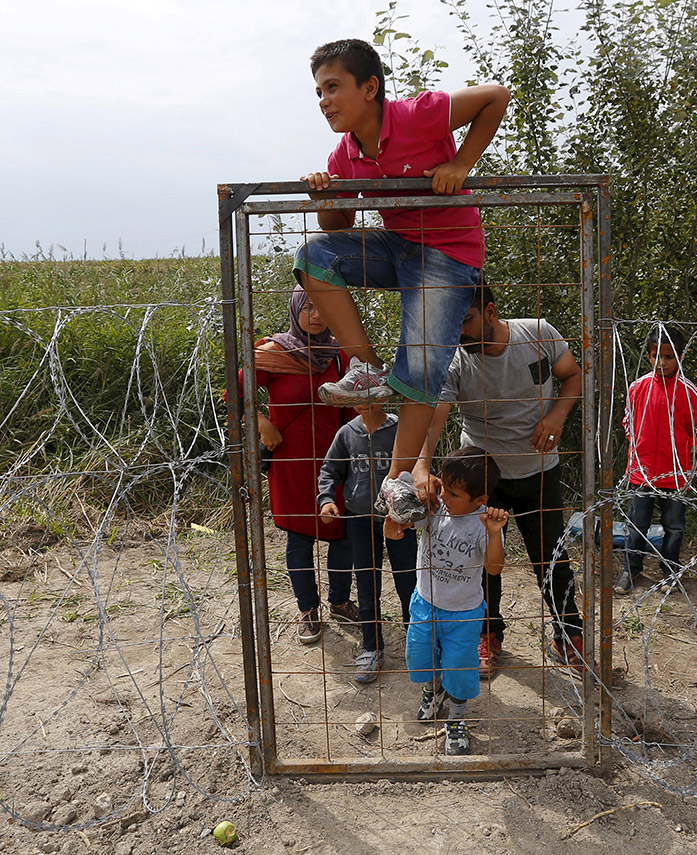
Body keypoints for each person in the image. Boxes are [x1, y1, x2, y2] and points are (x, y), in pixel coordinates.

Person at [293, 38, 511, 491]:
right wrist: (326, 194)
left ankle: (397, 479)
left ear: (370, 87)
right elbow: (337, 227)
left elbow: (496, 95)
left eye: (332, 87)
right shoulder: (344, 156)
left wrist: (461, 163)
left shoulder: (417, 114)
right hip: (400, 247)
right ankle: (367, 369)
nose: (323, 101)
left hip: (449, 252)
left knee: (421, 367)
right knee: (314, 255)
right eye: (318, 92)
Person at [412, 286, 585, 676]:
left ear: (489, 311)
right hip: (482, 480)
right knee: (479, 561)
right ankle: (487, 636)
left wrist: (557, 417)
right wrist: (422, 465)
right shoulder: (456, 359)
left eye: (467, 321)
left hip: (539, 471)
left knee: (551, 559)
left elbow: (572, 377)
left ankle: (567, 634)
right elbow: (435, 417)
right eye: (452, 325)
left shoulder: (538, 333)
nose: (460, 333)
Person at [243, 286, 357, 644]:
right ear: (295, 310)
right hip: (290, 461)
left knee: (341, 533)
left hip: (336, 458)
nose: (317, 315)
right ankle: (308, 610)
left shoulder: (339, 355)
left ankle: (339, 601)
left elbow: (353, 406)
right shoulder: (273, 353)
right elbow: (236, 391)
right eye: (308, 307)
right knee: (299, 537)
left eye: (322, 307)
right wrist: (262, 425)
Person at [387, 448, 509, 756]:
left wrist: (495, 534)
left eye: (453, 494)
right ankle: (432, 689)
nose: (445, 497)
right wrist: (395, 520)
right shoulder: (434, 507)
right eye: (443, 487)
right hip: (424, 602)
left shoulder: (483, 524)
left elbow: (494, 568)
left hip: (464, 613)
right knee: (419, 656)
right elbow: (396, 528)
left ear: (480, 500)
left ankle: (456, 720)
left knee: (458, 668)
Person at [317, 401, 419, 682]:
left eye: (370, 389)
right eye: (357, 391)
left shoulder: (401, 428)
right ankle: (372, 648)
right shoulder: (347, 433)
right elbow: (329, 470)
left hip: (399, 517)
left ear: (383, 392)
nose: (364, 398)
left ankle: (417, 645)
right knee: (366, 583)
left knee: (408, 580)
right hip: (360, 519)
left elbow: (420, 465)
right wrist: (326, 500)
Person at [614, 325, 697, 593]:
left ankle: (670, 571)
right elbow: (628, 423)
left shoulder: (690, 393)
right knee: (637, 523)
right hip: (642, 471)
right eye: (656, 356)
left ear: (680, 357)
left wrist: (679, 452)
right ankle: (631, 570)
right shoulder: (638, 388)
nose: (661, 363)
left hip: (675, 472)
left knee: (674, 526)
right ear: (648, 356)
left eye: (668, 357)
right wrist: (641, 447)